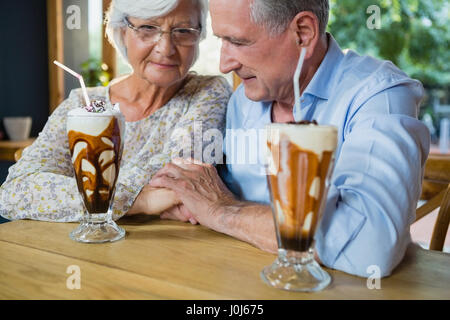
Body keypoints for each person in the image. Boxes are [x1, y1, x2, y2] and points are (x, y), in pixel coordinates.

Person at [147, 0, 430, 278]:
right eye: (222, 40)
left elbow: (369, 246)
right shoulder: (243, 101)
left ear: (303, 33)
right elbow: (211, 196)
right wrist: (203, 204)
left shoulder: (378, 95)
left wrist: (223, 212)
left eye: (239, 41)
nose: (224, 64)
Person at [0, 0, 231, 222]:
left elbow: (178, 181)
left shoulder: (209, 93)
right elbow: (15, 192)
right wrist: (143, 201)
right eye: (148, 28)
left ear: (198, 36)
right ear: (122, 32)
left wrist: (77, 196)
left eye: (183, 31)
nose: (166, 48)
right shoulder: (82, 103)